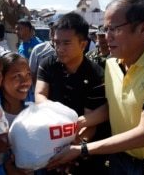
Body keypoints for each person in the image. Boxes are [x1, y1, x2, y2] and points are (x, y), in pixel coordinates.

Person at [45, 0, 144, 175]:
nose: (106, 36)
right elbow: (114, 106)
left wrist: (82, 149)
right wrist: (75, 125)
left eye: (114, 29)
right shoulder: (112, 63)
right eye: (105, 29)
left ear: (143, 28)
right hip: (119, 159)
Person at [35, 12, 110, 175]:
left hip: (81, 145)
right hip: (49, 138)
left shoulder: (96, 75)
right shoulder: (48, 64)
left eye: (66, 43)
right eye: (56, 42)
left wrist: (76, 148)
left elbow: (91, 122)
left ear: (83, 44)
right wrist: (62, 119)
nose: (59, 48)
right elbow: (40, 95)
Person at [29, 21, 56, 85]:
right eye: (51, 29)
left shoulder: (69, 50)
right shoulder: (38, 49)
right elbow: (32, 73)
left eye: (56, 29)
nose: (52, 31)